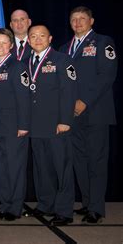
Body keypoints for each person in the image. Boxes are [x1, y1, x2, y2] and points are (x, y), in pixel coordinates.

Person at [59, 6, 117, 224]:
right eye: (74, 19)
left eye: (82, 19)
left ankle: (97, 208)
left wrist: (85, 101)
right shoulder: (65, 48)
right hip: (72, 115)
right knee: (79, 161)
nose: (78, 22)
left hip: (96, 113)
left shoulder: (103, 42)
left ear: (91, 21)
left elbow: (107, 75)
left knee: (97, 161)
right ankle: (86, 203)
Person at [26, 25, 76, 226]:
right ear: (28, 40)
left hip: (57, 125)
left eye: (42, 36)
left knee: (62, 168)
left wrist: (65, 120)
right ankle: (45, 204)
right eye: (33, 36)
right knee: (42, 168)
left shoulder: (62, 60)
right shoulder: (27, 62)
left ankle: (64, 211)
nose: (37, 39)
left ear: (50, 38)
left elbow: (69, 92)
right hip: (35, 125)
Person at [0, 28, 30, 221]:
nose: (0, 46)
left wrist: (23, 124)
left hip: (13, 127)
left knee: (15, 168)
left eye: (4, 43)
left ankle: (15, 207)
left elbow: (24, 98)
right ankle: (4, 204)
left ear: (11, 46)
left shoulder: (18, 66)